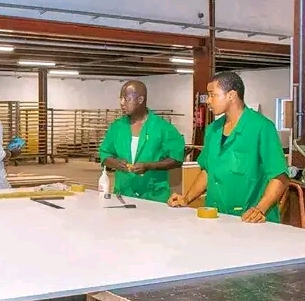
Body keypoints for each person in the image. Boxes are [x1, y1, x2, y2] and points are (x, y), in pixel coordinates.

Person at [168, 71, 288, 223]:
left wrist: (260, 209)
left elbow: (279, 177)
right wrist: (186, 198)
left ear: (231, 95)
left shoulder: (261, 128)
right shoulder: (213, 130)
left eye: (213, 95)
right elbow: (208, 171)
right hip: (216, 217)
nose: (208, 101)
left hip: (249, 220)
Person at [99, 80, 185, 202]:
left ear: (140, 100)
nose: (121, 103)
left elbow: (176, 159)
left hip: (153, 197)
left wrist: (150, 166)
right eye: (120, 99)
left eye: (126, 99)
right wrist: (116, 163)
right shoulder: (117, 127)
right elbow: (104, 154)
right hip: (124, 194)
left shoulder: (163, 128)